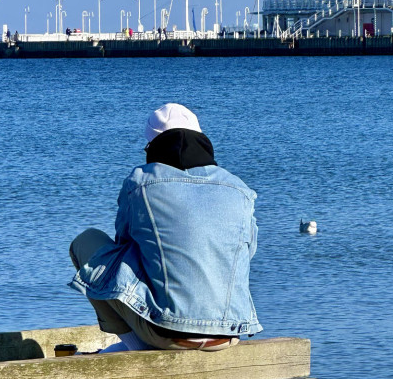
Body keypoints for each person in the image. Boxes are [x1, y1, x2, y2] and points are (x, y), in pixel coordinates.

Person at [69, 103, 261, 352]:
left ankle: (136, 348)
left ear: (152, 146)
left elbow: (123, 245)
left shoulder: (140, 182)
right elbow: (247, 252)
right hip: (228, 334)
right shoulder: (239, 188)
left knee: (87, 241)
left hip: (167, 333)